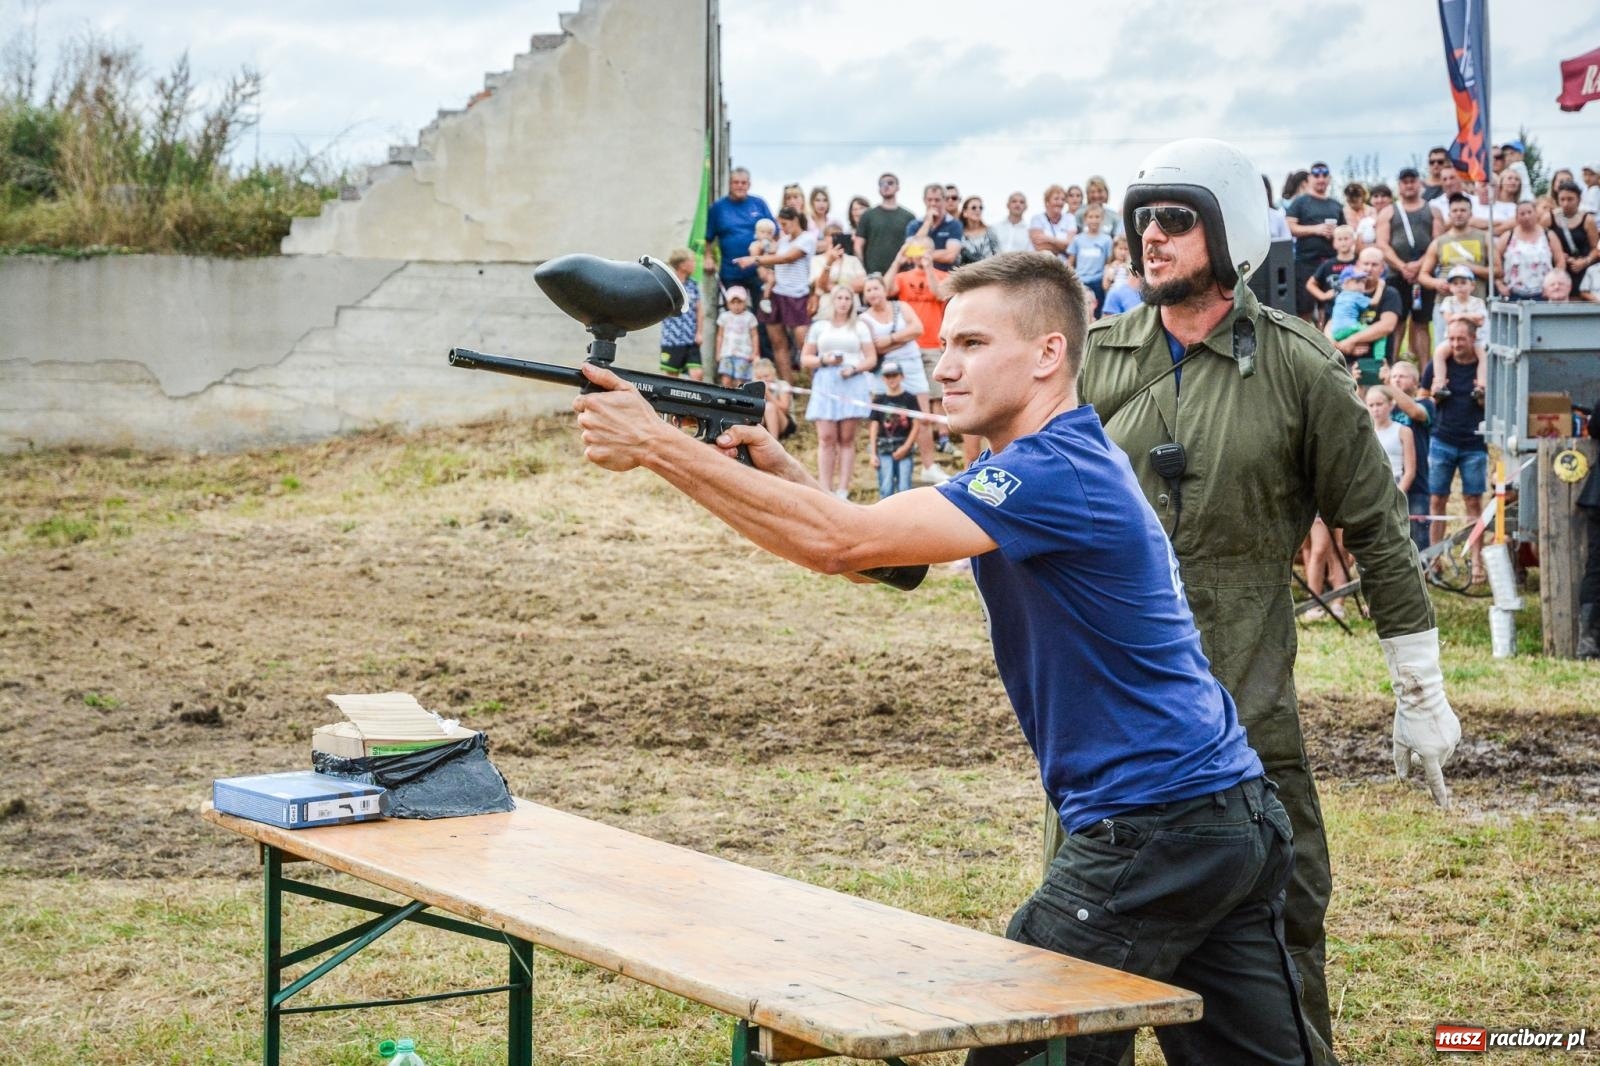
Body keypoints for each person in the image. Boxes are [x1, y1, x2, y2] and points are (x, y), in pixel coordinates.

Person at [571, 250, 1312, 1066]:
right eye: (943, 345)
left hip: (1153, 826)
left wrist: (657, 446)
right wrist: (771, 467)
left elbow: (835, 543)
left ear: (1047, 356)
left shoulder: (1050, 471)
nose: (944, 367)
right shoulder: (1046, 461)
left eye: (971, 345)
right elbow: (888, 555)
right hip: (1223, 814)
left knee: (1023, 1045)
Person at [1077, 138, 1458, 1066]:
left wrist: (1420, 689)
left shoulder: (1300, 368)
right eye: (1142, 222)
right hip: (1103, 742)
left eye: (1176, 219)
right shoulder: (1090, 360)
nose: (1152, 239)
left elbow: (1375, 529)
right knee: (1082, 986)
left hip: (1244, 729)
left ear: (1230, 229)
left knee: (1279, 954)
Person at [1420, 320, 1489, 584]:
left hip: (1474, 443)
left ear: (1473, 339)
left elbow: (1493, 402)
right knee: (1437, 501)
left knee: (1473, 503)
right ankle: (1434, 559)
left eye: (1461, 339)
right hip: (1442, 439)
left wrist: (1482, 395)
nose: (1456, 344)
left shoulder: (1484, 366)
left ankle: (1476, 561)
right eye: (1452, 339)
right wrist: (1435, 396)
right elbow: (1423, 396)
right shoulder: (1439, 364)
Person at [885, 242, 955, 484]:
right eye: (917, 249)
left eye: (925, 249)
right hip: (908, 349)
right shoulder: (903, 277)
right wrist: (897, 259)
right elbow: (884, 290)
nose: (920, 254)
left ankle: (940, 442)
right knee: (912, 403)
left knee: (935, 397)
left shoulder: (943, 275)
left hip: (934, 343)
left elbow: (940, 294)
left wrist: (928, 268)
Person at [860, 272, 940, 483]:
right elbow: (874, 347)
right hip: (882, 373)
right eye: (868, 290)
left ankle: (929, 466)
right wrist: (902, 339)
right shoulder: (864, 319)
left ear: (884, 290)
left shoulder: (901, 306)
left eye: (876, 288)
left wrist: (890, 339)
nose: (873, 293)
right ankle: (887, 467)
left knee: (922, 416)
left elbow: (918, 329)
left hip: (912, 367)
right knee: (886, 420)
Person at [800, 284, 877, 497]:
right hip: (825, 381)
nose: (843, 302)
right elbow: (805, 358)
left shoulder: (859, 326)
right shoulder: (819, 326)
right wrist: (823, 360)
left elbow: (871, 358)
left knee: (846, 438)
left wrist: (854, 368)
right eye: (839, 298)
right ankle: (824, 488)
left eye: (847, 298)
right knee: (826, 437)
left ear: (852, 302)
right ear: (832, 301)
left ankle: (843, 489)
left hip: (852, 382)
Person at [736, 207, 817, 383]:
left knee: (804, 345)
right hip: (777, 294)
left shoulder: (807, 239)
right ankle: (788, 388)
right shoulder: (783, 240)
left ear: (795, 219)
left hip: (798, 296)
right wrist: (756, 251)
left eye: (784, 224)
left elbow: (787, 258)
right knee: (778, 344)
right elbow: (772, 260)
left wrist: (754, 260)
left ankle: (813, 385)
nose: (782, 228)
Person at [1376, 166, 1439, 360]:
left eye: (1413, 181)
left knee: (1421, 324)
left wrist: (1420, 265)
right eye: (1405, 182)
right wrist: (1403, 267)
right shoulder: (1388, 212)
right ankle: (1392, 367)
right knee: (1396, 322)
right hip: (1397, 275)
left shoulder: (1433, 210)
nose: (1409, 185)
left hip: (1423, 275)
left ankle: (1425, 372)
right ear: (1399, 185)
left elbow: (1438, 241)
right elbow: (1382, 244)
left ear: (1419, 183)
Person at [1331, 246, 1403, 385]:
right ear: (1358, 265)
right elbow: (1329, 327)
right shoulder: (1345, 293)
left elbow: (1386, 326)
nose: (1369, 268)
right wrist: (1341, 346)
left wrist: (1351, 340)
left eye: (1374, 265)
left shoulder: (1389, 293)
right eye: (1366, 264)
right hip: (1347, 363)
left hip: (1377, 364)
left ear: (1382, 268)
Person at [1384, 360, 1436, 555]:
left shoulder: (1426, 404)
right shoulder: (1386, 407)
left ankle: (1424, 574)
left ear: (1415, 382)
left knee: (1419, 536)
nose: (1396, 380)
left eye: (1401, 376)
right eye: (1394, 376)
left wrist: (1388, 385)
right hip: (1389, 480)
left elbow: (1415, 412)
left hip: (1418, 483)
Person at [705, 167, 774, 308]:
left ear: (749, 184)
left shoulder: (759, 204)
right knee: (732, 315)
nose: (740, 186)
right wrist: (708, 257)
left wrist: (770, 258)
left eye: (743, 183)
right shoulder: (718, 208)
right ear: (730, 184)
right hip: (731, 271)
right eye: (736, 182)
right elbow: (708, 237)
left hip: (758, 271)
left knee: (761, 315)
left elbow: (775, 232)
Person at [1285, 162, 1345, 322]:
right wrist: (1316, 229)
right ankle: (1303, 345)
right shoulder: (1300, 202)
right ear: (1310, 178)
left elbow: (1345, 230)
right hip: (1306, 263)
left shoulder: (1336, 204)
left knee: (1328, 307)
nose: (1321, 179)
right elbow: (1289, 227)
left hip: (1330, 264)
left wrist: (1336, 233)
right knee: (1304, 309)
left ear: (1329, 179)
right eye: (1317, 175)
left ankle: (1326, 344)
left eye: (1325, 175)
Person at [1418, 192, 1490, 301]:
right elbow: (1422, 275)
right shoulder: (1439, 241)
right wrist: (1436, 283)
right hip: (1445, 305)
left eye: (1463, 210)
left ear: (1471, 214)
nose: (1459, 214)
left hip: (1475, 304)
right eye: (1455, 211)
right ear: (1449, 214)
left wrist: (1471, 268)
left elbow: (1498, 272)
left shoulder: (1484, 237)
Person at [867, 363, 920, 498]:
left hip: (904, 447)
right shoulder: (879, 400)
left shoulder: (910, 399)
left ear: (901, 376)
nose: (891, 379)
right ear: (883, 379)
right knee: (886, 487)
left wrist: (906, 447)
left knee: (904, 488)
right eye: (887, 376)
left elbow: (916, 424)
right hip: (883, 448)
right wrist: (873, 454)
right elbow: (874, 427)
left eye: (894, 375)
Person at [1494, 200, 1564, 301]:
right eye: (1522, 214)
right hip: (1513, 293)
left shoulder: (1549, 235)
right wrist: (1499, 284)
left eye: (1529, 212)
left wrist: (1553, 285)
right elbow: (1494, 261)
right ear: (1516, 217)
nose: (1526, 216)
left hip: (1543, 293)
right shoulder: (1508, 236)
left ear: (1536, 214)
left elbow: (1560, 261)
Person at [855, 173, 916, 276]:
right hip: (873, 275)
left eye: (890, 183)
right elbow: (858, 245)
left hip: (902, 274)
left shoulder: (908, 217)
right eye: (882, 184)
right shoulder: (868, 215)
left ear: (897, 187)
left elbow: (914, 245)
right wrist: (862, 270)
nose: (886, 186)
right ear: (879, 189)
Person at [657, 248, 704, 379]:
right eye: (692, 261)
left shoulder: (693, 285)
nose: (695, 264)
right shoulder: (668, 285)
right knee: (672, 375)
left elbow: (699, 310)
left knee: (697, 374)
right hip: (672, 339)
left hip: (690, 338)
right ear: (683, 265)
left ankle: (694, 399)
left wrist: (699, 332)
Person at [1432, 265, 1488, 369]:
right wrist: (1471, 317)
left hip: (1477, 339)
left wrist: (1460, 315)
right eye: (1455, 283)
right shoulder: (1448, 301)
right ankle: (1439, 381)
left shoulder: (1478, 302)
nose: (1459, 286)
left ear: (1472, 285)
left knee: (1483, 355)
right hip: (1453, 339)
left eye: (1463, 282)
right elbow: (1449, 318)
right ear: (1450, 287)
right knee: (1439, 352)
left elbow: (1480, 321)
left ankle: (1481, 382)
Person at [1366, 386, 1416, 496]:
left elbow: (1410, 471)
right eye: (1371, 405)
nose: (1375, 409)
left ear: (1391, 404)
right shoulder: (1365, 433)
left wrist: (1398, 495)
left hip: (1395, 483)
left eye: (1379, 404)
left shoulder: (1403, 431)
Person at [1305, 225, 1358, 326]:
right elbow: (1310, 284)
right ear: (1334, 243)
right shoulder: (1328, 264)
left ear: (1353, 241)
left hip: (1355, 307)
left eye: (1346, 238)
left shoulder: (1359, 263)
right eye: (1339, 239)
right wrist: (1323, 296)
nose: (1343, 242)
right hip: (1332, 310)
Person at [1068, 205, 1115, 317]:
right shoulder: (1077, 239)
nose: (1094, 220)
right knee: (1079, 313)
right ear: (1085, 219)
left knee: (1097, 312)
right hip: (1080, 281)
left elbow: (1108, 262)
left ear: (1102, 219)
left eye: (1097, 217)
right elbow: (1070, 262)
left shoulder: (1106, 240)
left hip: (1098, 282)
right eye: (1091, 217)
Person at [1551, 181, 1598, 292]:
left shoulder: (1588, 220)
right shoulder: (1549, 217)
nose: (1566, 203)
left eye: (1570, 199)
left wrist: (1585, 261)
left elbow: (1595, 249)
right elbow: (1540, 241)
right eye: (1562, 199)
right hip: (1558, 270)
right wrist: (1557, 254)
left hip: (1582, 271)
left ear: (1579, 199)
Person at [907, 182, 964, 273]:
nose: (933, 204)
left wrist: (918, 253)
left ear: (944, 200)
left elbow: (950, 256)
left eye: (937, 200)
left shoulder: (954, 224)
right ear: (924, 200)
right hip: (920, 277)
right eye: (929, 200)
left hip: (945, 276)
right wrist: (927, 223)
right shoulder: (914, 224)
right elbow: (909, 253)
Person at [715, 286, 760, 387]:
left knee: (740, 381)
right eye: (733, 302)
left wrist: (755, 352)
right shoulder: (724, 317)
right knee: (726, 379)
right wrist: (718, 353)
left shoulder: (749, 317)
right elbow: (720, 336)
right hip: (727, 353)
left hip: (743, 354)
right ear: (728, 303)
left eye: (739, 302)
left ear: (745, 302)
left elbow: (754, 336)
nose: (736, 306)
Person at [1028, 184, 1077, 262]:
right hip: (1041, 263)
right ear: (1047, 201)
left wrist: (1049, 239)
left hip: (1063, 266)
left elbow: (1071, 245)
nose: (1060, 202)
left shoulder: (1070, 218)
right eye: (1056, 199)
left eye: (1063, 199)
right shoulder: (1037, 219)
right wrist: (1062, 246)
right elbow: (1039, 246)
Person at [1324, 266, 1372, 345]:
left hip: (1336, 332)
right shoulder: (1356, 295)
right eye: (1357, 281)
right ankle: (1379, 356)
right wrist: (1381, 287)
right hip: (1350, 328)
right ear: (1345, 283)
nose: (1361, 285)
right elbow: (1374, 302)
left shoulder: (1340, 296)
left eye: (1363, 282)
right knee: (1374, 332)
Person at [751, 357, 794, 441]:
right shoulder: (754, 387)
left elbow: (785, 409)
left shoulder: (782, 385)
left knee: (769, 407)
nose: (763, 380)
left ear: (773, 373)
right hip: (764, 423)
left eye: (766, 376)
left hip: (784, 422)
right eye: (759, 378)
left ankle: (774, 442)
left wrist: (768, 394)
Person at [957, 196, 1000, 266]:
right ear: (965, 212)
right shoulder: (958, 233)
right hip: (965, 273)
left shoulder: (990, 231)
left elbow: (998, 255)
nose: (978, 210)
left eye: (981, 208)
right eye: (974, 208)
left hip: (988, 272)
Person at [748, 217, 779, 314]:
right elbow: (754, 255)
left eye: (769, 233)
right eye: (763, 232)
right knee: (771, 279)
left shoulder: (773, 243)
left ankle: (767, 287)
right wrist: (764, 247)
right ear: (757, 233)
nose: (766, 235)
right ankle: (765, 299)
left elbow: (776, 250)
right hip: (762, 268)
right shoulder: (755, 244)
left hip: (772, 268)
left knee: (774, 279)